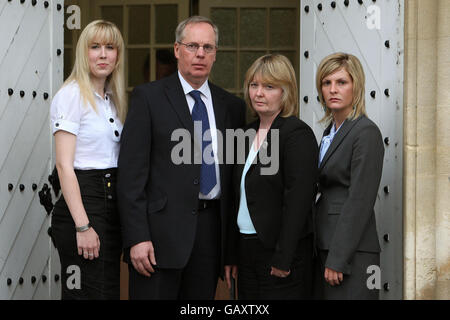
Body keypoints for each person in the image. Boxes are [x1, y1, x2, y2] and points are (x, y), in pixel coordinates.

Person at [117, 16, 246, 300]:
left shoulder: (232, 107)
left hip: (210, 237)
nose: (200, 54)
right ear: (177, 50)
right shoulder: (148, 98)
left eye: (208, 47)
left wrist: (230, 250)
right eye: (192, 46)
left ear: (215, 55)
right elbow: (130, 176)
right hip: (157, 238)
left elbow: (235, 183)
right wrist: (137, 237)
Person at [224, 54, 319, 299]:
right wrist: (231, 254)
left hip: (280, 253)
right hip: (246, 251)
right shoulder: (245, 133)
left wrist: (283, 256)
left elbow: (298, 201)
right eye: (254, 85)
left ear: (285, 92)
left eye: (269, 86)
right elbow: (236, 197)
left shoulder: (296, 134)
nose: (259, 93)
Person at [50, 20, 126, 299]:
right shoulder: (71, 95)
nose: (103, 54)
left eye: (110, 47)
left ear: (118, 55)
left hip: (109, 202)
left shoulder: (111, 99)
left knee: (106, 292)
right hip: (85, 203)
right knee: (86, 294)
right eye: (95, 47)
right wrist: (82, 226)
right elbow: (63, 165)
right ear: (84, 52)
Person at [313, 52, 384, 300]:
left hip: (350, 254)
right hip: (326, 244)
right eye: (326, 83)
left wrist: (338, 258)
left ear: (356, 86)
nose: (333, 89)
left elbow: (360, 200)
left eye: (341, 82)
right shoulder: (328, 133)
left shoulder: (365, 132)